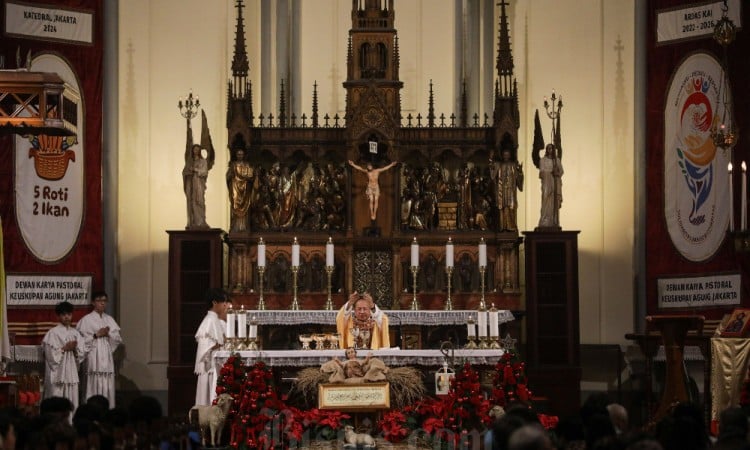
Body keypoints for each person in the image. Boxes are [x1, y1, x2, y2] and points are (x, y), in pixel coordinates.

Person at [76, 291, 122, 407]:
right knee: (93, 381)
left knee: (107, 382)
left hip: (105, 354)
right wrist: (96, 335)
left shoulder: (109, 319)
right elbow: (80, 341)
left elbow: (117, 339)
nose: (102, 303)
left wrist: (109, 333)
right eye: (99, 301)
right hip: (93, 354)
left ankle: (108, 409)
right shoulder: (86, 320)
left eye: (104, 301)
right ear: (93, 302)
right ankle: (91, 409)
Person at [42, 301, 86, 410]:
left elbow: (82, 354)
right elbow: (50, 356)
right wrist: (64, 348)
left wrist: (75, 350)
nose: (67, 317)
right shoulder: (53, 333)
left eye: (69, 314)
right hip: (58, 374)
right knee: (57, 398)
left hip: (71, 372)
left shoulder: (75, 333)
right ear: (58, 316)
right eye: (64, 314)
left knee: (72, 398)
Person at [194, 288, 230, 406]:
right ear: (214, 303)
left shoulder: (216, 320)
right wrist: (220, 343)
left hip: (216, 367)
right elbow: (205, 349)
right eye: (223, 301)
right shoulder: (209, 321)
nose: (226, 304)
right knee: (209, 401)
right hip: (210, 368)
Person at [491, 147, 524, 231]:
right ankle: (503, 227)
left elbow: (518, 177)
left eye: (507, 155)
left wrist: (520, 172)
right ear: (502, 155)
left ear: (509, 156)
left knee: (510, 207)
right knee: (502, 207)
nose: (506, 156)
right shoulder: (499, 165)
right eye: (504, 155)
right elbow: (493, 177)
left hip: (510, 191)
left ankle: (511, 226)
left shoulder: (513, 165)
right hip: (502, 190)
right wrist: (491, 166)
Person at [183, 144, 213, 229]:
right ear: (192, 151)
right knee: (193, 202)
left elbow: (204, 172)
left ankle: (201, 222)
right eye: (194, 149)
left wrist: (195, 170)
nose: (195, 151)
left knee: (200, 201)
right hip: (192, 184)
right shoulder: (190, 162)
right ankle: (194, 222)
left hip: (199, 184)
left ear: (199, 151)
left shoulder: (203, 161)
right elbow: (185, 172)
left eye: (197, 149)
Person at [226, 147, 254, 232]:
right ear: (236, 155)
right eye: (238, 154)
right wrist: (230, 177)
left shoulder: (247, 165)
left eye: (241, 154)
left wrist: (249, 178)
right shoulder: (233, 165)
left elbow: (251, 177)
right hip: (235, 187)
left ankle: (243, 227)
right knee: (235, 204)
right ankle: (236, 227)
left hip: (245, 188)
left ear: (244, 155)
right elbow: (228, 176)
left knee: (245, 204)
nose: (240, 156)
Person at [538, 143, 563, 228]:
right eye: (548, 148)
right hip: (546, 182)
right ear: (546, 150)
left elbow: (561, 171)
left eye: (551, 148)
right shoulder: (542, 160)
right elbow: (541, 173)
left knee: (554, 200)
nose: (550, 150)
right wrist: (548, 173)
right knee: (545, 199)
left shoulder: (557, 160)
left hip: (555, 182)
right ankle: (544, 220)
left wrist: (556, 172)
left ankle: (554, 221)